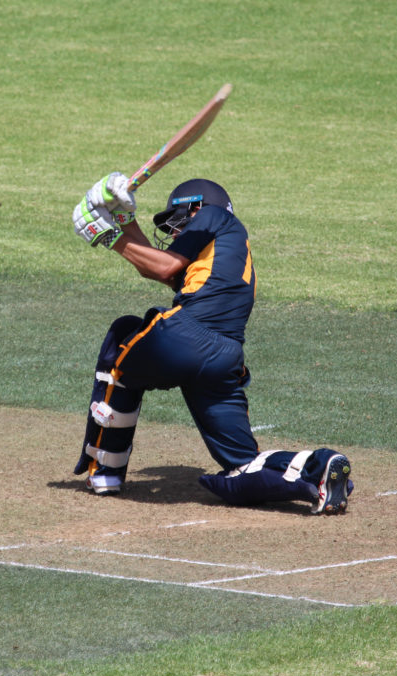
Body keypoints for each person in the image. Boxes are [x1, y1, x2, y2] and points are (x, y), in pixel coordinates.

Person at [70, 172, 353, 514]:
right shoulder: (226, 247)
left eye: (178, 222)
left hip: (185, 336)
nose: (174, 233)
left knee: (122, 339)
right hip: (225, 358)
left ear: (197, 210)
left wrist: (105, 233)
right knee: (241, 468)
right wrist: (124, 220)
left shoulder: (213, 216)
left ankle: (105, 472)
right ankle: (318, 468)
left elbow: (163, 268)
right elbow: (162, 269)